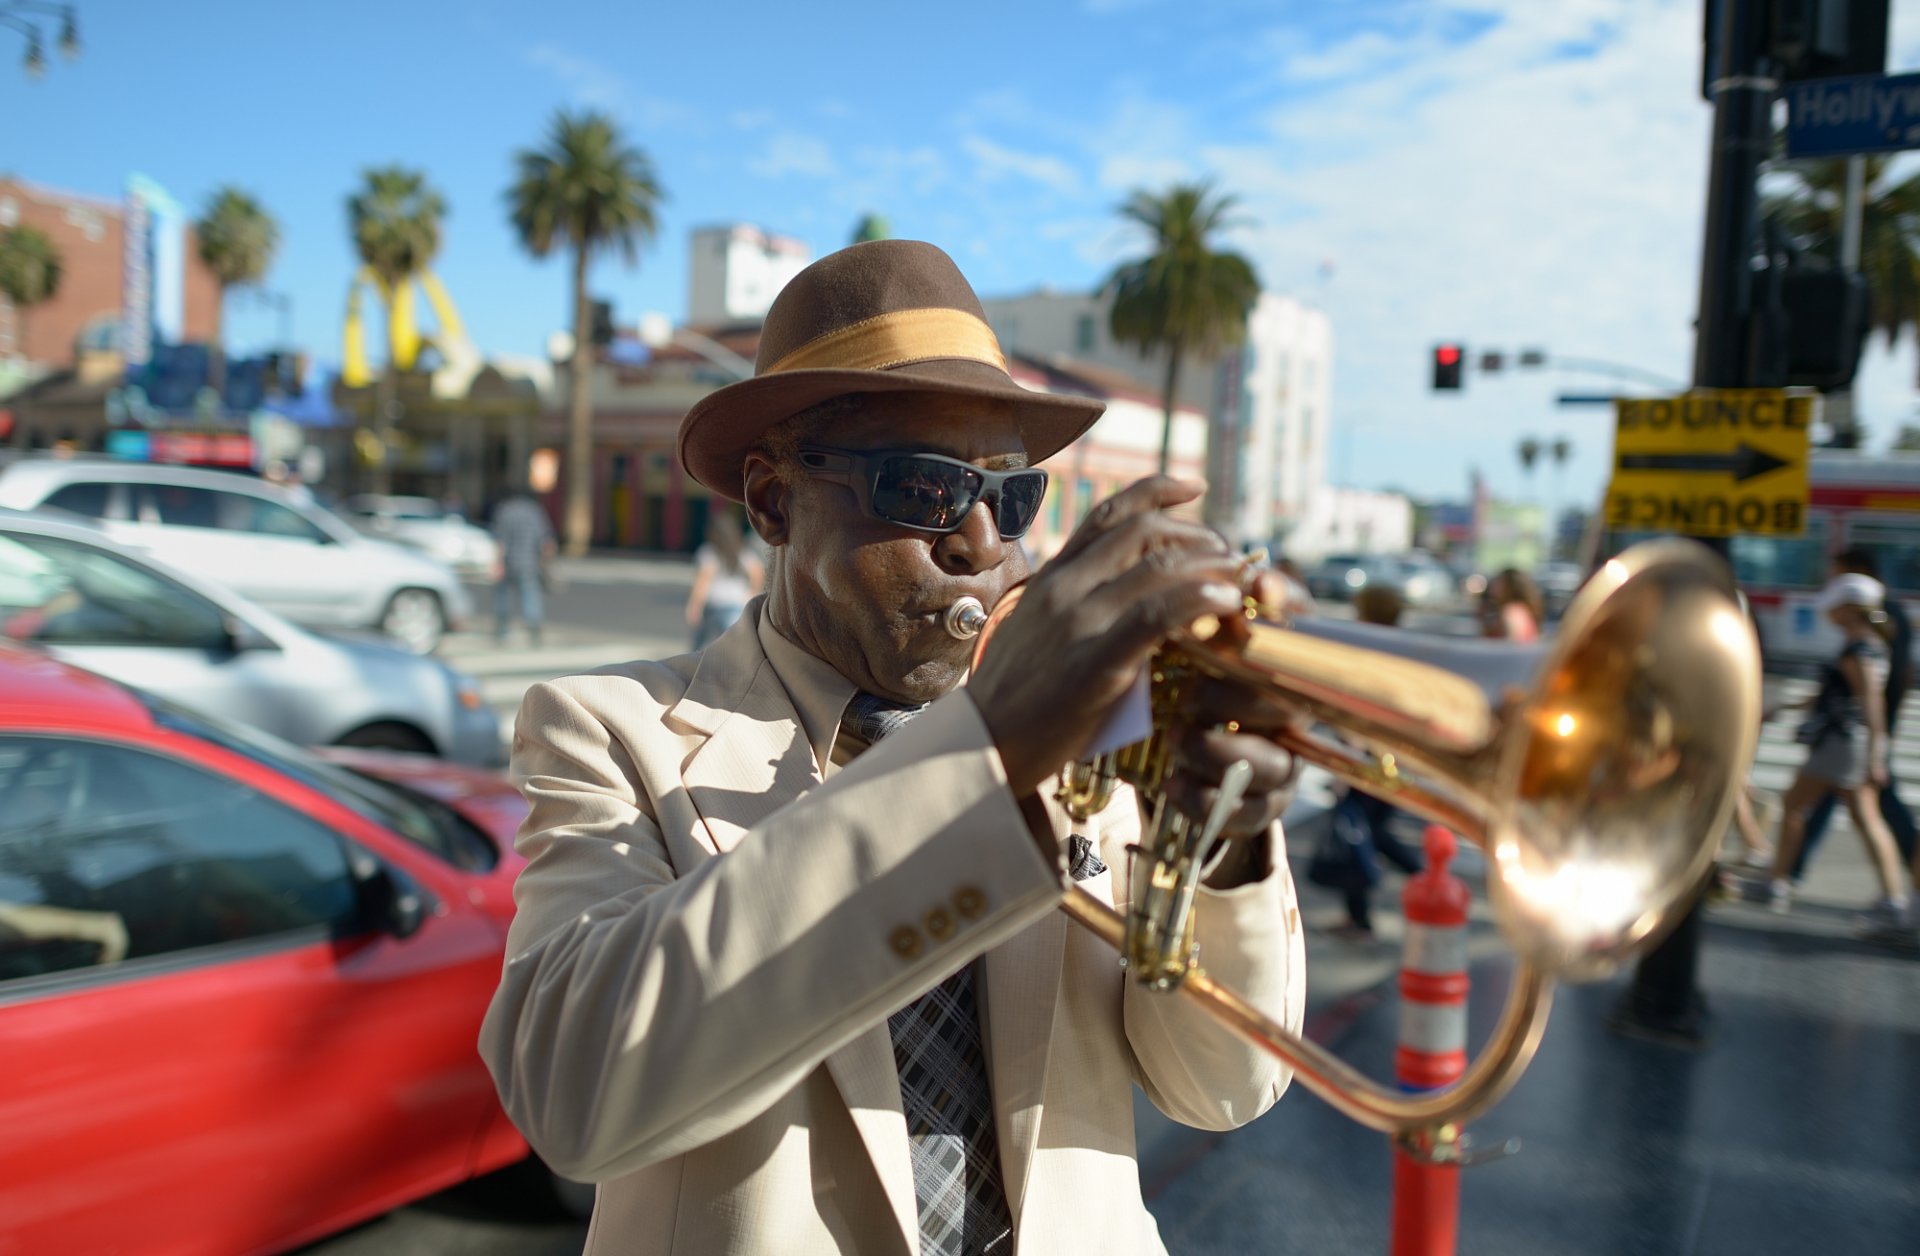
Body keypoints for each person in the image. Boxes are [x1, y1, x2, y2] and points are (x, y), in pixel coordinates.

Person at [479, 240, 1307, 1256]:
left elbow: (1221, 1086)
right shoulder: (608, 725)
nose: (979, 544)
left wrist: (1222, 846)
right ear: (774, 500)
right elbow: (573, 1093)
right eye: (920, 488)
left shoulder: (1092, 738)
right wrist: (982, 754)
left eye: (1012, 495)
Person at [1748, 572, 1912, 932]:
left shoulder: (1858, 651)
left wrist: (1876, 752)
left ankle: (1777, 882)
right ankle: (1893, 900)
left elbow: (1870, 703)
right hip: (1848, 744)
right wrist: (1786, 707)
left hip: (1841, 745)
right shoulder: (1872, 644)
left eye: (1835, 607)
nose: (1828, 613)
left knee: (1794, 805)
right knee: (1866, 820)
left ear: (1850, 610)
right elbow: (1842, 695)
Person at [1793, 546, 1917, 878]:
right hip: (1858, 731)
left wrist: (1879, 740)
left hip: (1851, 733)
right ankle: (1790, 869)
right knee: (1856, 806)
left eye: (1838, 572)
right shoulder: (1888, 615)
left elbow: (1874, 690)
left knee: (1857, 806)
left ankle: (1787, 872)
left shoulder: (1868, 633)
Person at [1317, 585, 1422, 940]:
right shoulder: (1399, 648)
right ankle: (1364, 914)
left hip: (1369, 757)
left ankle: (1421, 882)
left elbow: (1363, 710)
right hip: (1389, 756)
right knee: (1368, 832)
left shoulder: (1371, 646)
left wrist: (1348, 756)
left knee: (1359, 831)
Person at [490, 455, 558, 646]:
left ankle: (502, 631)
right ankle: (534, 628)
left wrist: (497, 563)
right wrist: (546, 562)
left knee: (503, 598)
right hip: (529, 562)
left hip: (509, 562)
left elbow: (500, 541)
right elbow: (546, 540)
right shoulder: (534, 511)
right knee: (530, 596)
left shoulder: (504, 511)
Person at [685, 509, 765, 650]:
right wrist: (751, 594)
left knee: (698, 649)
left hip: (714, 606)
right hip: (737, 606)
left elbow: (702, 582)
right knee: (732, 649)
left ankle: (696, 671)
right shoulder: (741, 552)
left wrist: (694, 606)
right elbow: (758, 572)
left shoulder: (709, 553)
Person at [1479, 567, 1543, 643]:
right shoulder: (1520, 609)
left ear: (1508, 587)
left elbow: (1512, 644)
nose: (1493, 586)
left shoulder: (1512, 612)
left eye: (1499, 582)